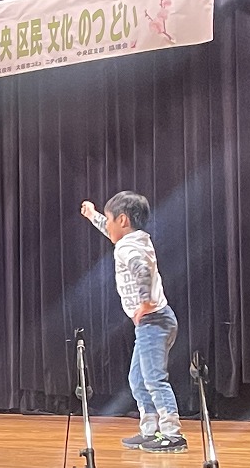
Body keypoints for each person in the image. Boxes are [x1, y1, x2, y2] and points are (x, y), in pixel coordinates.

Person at [80, 192, 186, 453]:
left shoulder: (129, 247)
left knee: (153, 379)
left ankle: (172, 434)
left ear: (123, 220)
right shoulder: (134, 240)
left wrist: (145, 303)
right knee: (138, 379)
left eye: (109, 219)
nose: (107, 225)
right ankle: (150, 430)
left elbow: (142, 270)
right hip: (152, 323)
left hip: (154, 321)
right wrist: (93, 215)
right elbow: (110, 231)